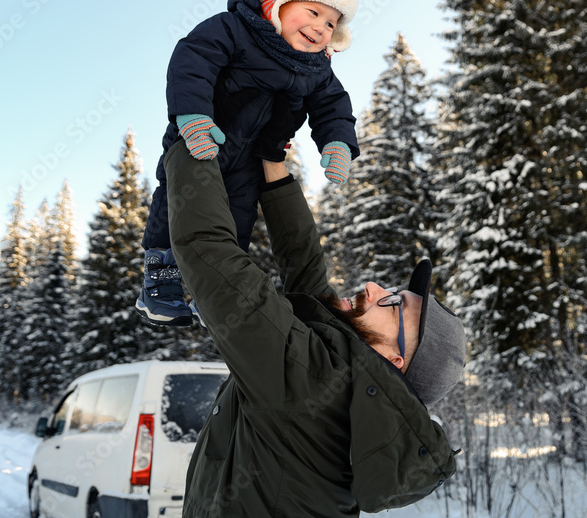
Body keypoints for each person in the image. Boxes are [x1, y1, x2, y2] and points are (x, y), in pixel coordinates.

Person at [162, 112, 467, 516]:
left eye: (393, 305)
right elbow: (306, 277)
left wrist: (191, 140)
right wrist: (274, 164)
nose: (376, 289)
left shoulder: (316, 384)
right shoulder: (347, 390)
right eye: (394, 290)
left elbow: (212, 258)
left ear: (396, 360)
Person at [137, 0, 361, 327]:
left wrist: (339, 143)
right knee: (179, 202)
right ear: (277, 1)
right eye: (313, 12)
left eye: (331, 23)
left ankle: (212, 293)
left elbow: (334, 106)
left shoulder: (317, 70)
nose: (320, 28)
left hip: (250, 160)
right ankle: (161, 280)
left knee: (233, 225)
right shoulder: (235, 30)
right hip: (200, 137)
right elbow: (193, 59)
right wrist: (192, 116)